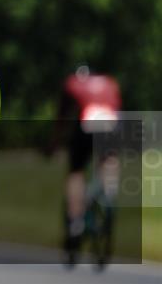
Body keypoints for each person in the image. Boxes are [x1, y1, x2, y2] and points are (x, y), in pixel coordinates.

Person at [46, 65, 121, 254]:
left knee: (76, 172)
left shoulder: (72, 83)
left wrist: (54, 143)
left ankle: (75, 221)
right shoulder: (109, 82)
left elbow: (61, 118)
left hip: (86, 124)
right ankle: (109, 191)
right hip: (110, 123)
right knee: (109, 159)